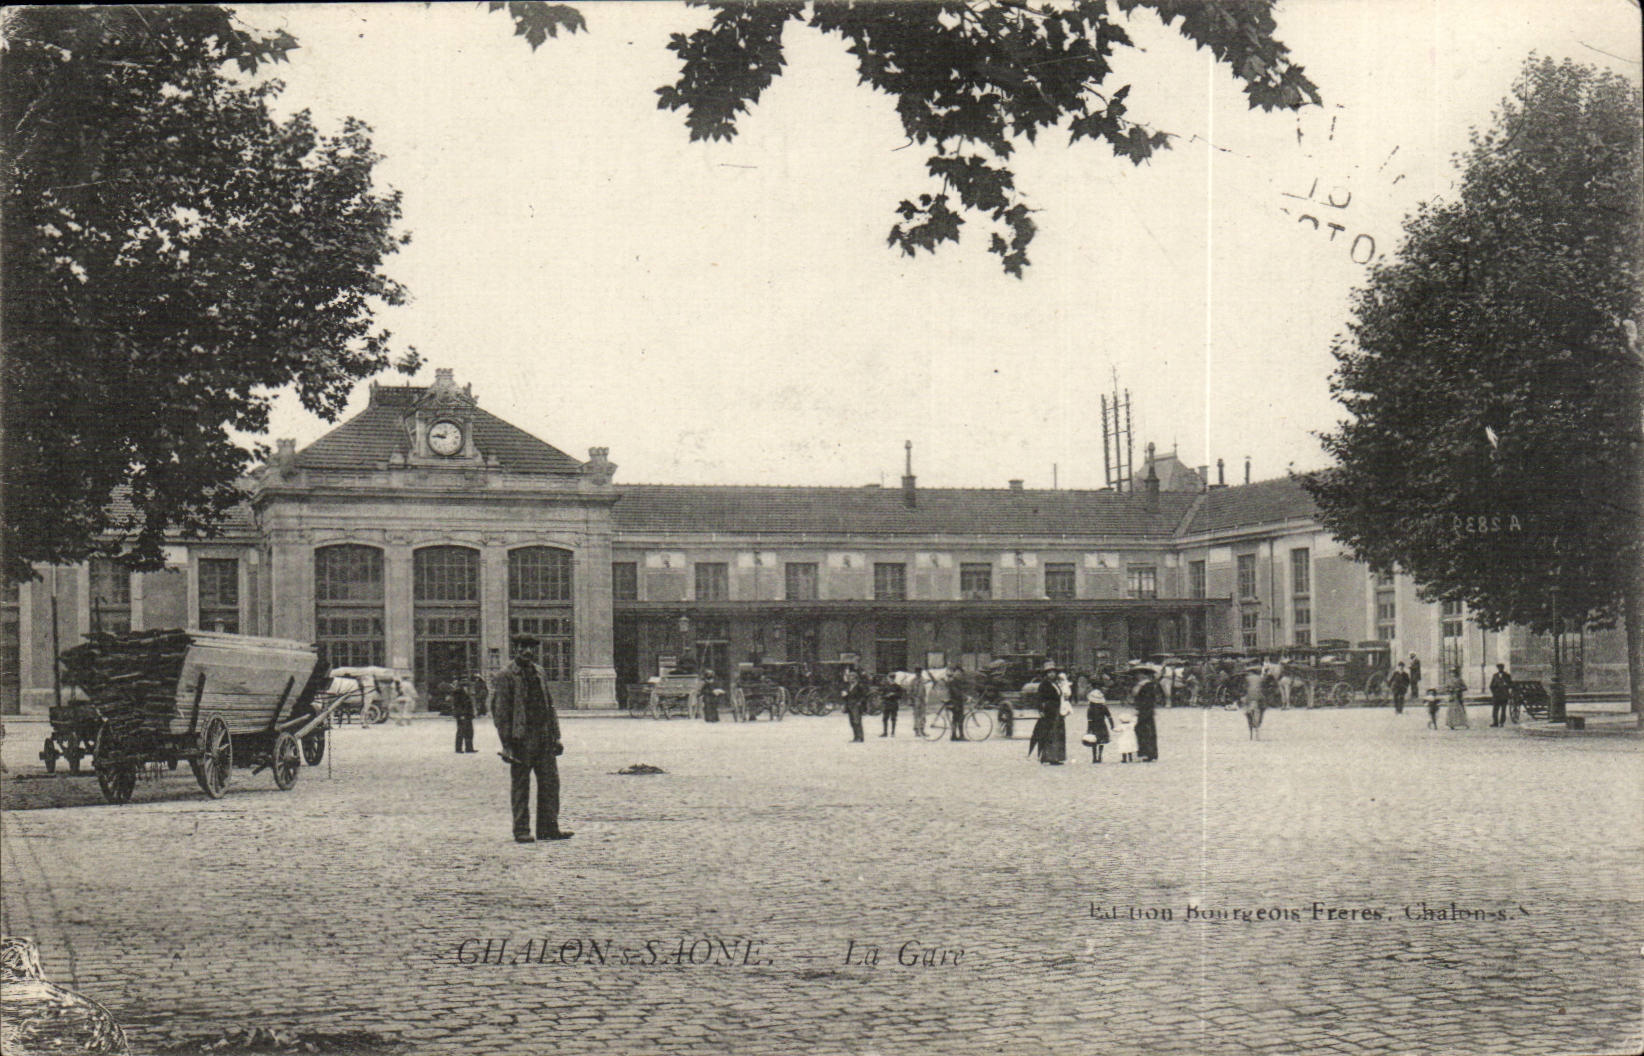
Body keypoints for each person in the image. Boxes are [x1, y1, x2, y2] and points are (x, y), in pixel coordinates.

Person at [491, 637, 572, 844]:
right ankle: (521, 830)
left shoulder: (540, 672)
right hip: (521, 740)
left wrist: (556, 737)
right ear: (515, 649)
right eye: (523, 648)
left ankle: (548, 828)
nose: (527, 652)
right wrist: (506, 745)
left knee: (550, 784)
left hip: (544, 738)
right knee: (521, 786)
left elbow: (549, 706)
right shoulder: (505, 675)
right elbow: (501, 714)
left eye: (531, 648)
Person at [1027, 663, 1067, 765]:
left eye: (1053, 672)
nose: (1051, 674)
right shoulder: (1044, 684)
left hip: (1057, 711)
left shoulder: (1056, 683)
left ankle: (1057, 757)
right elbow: (1039, 698)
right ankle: (1048, 757)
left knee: (1057, 734)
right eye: (1049, 672)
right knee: (1050, 734)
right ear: (1046, 674)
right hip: (1049, 711)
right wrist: (1040, 710)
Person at [1133, 674, 1162, 762]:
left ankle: (1146, 753)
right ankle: (1151, 753)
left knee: (1143, 731)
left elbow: (1136, 695)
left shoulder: (1145, 686)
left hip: (1144, 710)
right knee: (1149, 731)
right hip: (1148, 710)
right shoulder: (1151, 685)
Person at [1085, 688, 1114, 763]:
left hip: (1094, 726)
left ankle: (1094, 757)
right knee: (1102, 741)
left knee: (1094, 741)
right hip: (1102, 725)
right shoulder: (1104, 707)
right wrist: (1112, 725)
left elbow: (1089, 720)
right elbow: (1109, 716)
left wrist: (1088, 729)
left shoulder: (1090, 708)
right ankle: (1100, 756)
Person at [448, 680, 476, 753]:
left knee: (469, 731)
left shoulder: (465, 693)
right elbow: (457, 705)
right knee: (461, 731)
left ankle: (469, 748)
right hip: (463, 715)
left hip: (468, 715)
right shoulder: (458, 693)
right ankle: (458, 748)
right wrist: (461, 715)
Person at [842, 666, 868, 743]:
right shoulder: (849, 686)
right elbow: (847, 695)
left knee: (857, 721)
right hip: (849, 704)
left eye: (851, 677)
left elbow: (864, 695)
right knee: (852, 722)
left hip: (856, 705)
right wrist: (844, 695)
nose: (850, 679)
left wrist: (860, 702)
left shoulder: (859, 686)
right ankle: (855, 737)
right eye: (849, 677)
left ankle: (860, 737)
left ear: (855, 678)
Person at [945, 662, 968, 741]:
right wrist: (965, 697)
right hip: (956, 703)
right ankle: (959, 736)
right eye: (959, 672)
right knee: (959, 719)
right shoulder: (953, 681)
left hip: (957, 702)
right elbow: (956, 693)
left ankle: (955, 735)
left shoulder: (955, 681)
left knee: (956, 719)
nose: (960, 674)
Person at [1243, 667, 1266, 741]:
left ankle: (1248, 715)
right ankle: (1257, 727)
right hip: (1258, 697)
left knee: (1247, 712)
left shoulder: (1247, 678)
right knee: (1262, 709)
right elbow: (1264, 687)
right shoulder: (1260, 678)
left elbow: (1244, 688)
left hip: (1249, 697)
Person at [911, 667, 930, 738]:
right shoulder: (913, 681)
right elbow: (910, 691)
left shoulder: (924, 680)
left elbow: (926, 690)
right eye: (917, 672)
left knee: (923, 716)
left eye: (919, 672)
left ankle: (922, 730)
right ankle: (916, 731)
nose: (918, 673)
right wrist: (911, 700)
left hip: (922, 700)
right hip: (916, 700)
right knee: (916, 716)